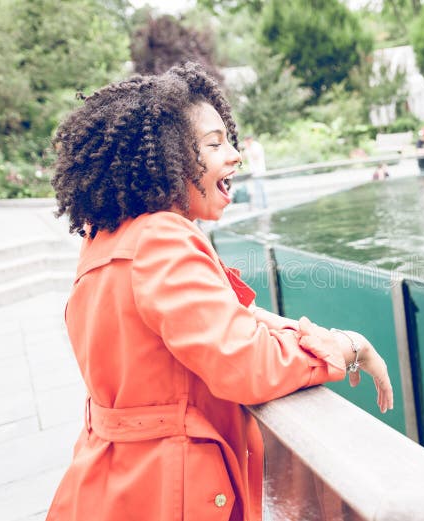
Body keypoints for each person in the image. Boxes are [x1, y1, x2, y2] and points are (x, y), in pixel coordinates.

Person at [46, 62, 393, 521]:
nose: (234, 155)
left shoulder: (104, 240)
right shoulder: (164, 238)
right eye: (214, 144)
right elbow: (247, 363)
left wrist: (326, 337)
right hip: (172, 496)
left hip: (110, 487)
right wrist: (344, 349)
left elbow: (222, 319)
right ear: (167, 156)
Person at [241, 135, 267, 209]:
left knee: (261, 188)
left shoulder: (257, 146)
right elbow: (243, 157)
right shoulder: (248, 147)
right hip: (253, 172)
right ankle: (259, 206)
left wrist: (248, 148)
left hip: (260, 171)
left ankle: (264, 205)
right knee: (256, 189)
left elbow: (255, 156)